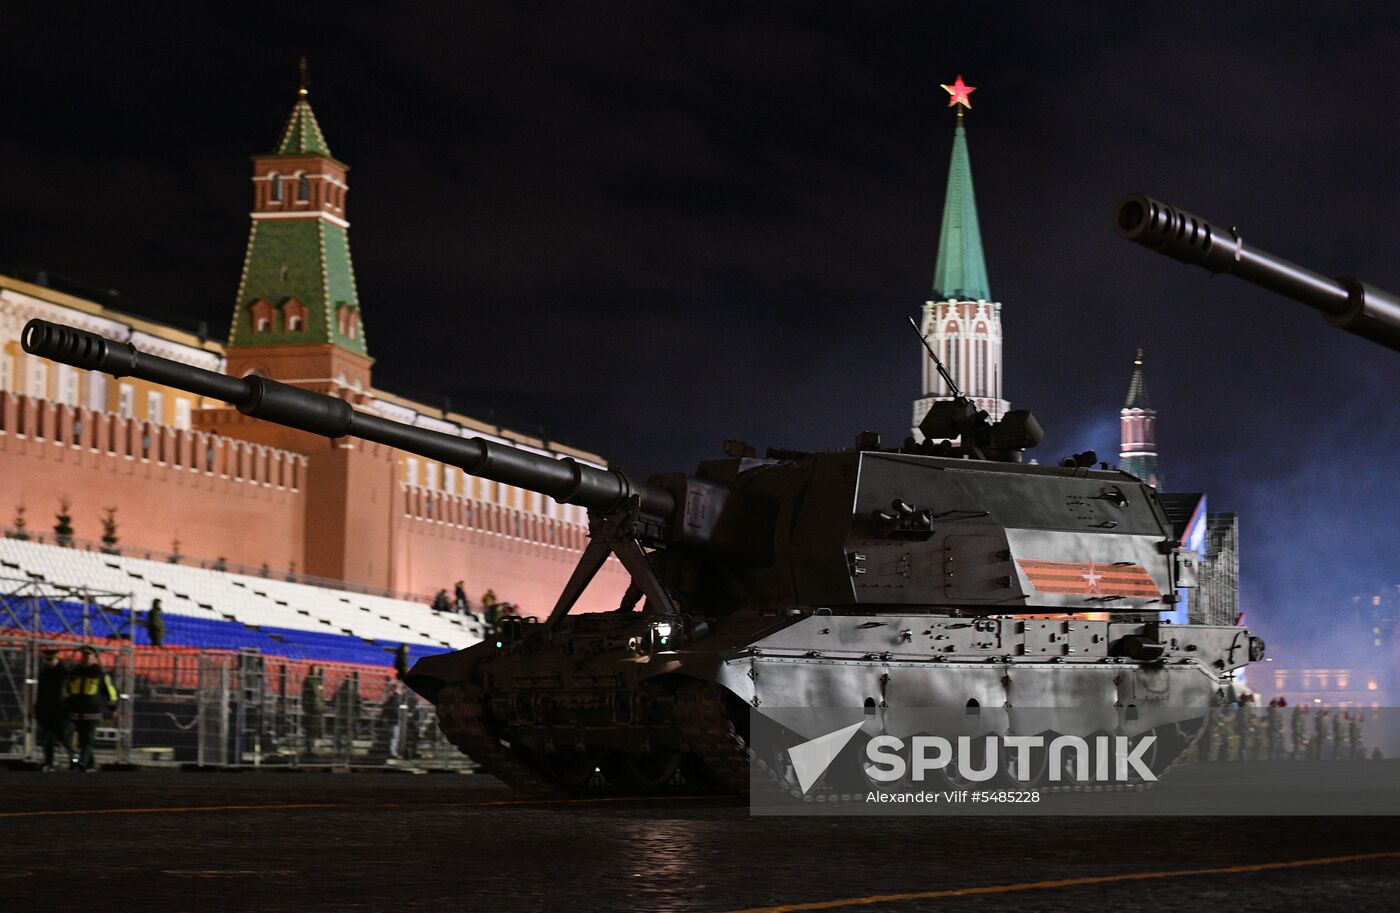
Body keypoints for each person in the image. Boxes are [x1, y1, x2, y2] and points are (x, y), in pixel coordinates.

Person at [63, 646, 117, 772]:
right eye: (84, 655)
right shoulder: (74, 672)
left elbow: (110, 691)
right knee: (76, 740)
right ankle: (88, 764)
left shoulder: (99, 673)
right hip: (75, 711)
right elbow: (66, 690)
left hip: (92, 712)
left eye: (88, 655)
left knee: (87, 739)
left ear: (94, 657)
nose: (86, 658)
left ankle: (81, 762)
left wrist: (112, 707)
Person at [33, 649, 71, 772]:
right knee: (48, 738)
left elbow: (70, 691)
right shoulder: (44, 672)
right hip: (47, 710)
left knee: (64, 737)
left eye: (51, 659)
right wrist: (38, 710)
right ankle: (49, 763)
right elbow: (40, 693)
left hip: (61, 711)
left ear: (57, 658)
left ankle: (75, 760)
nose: (49, 662)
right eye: (47, 659)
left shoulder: (64, 672)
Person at [301, 666, 325, 753]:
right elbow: (306, 696)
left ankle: (314, 746)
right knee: (310, 730)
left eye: (317, 669)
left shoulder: (319, 681)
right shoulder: (309, 681)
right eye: (315, 669)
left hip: (319, 709)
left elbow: (321, 695)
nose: (316, 671)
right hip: (311, 709)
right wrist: (307, 707)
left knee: (316, 729)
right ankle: (309, 747)